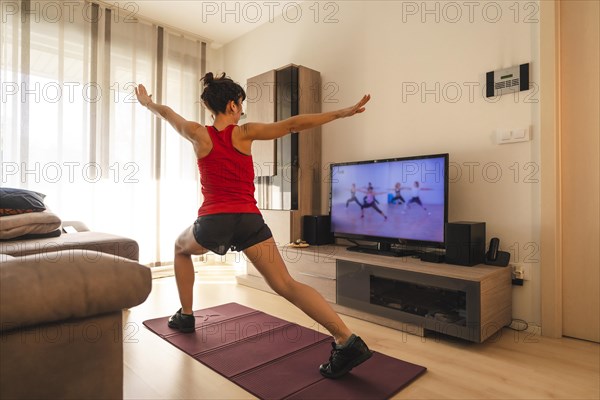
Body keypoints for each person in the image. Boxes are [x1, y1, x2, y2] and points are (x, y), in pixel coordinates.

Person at [135, 72, 373, 379]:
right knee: (286, 284)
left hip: (213, 222)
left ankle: (186, 316)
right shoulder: (245, 133)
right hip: (249, 221)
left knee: (180, 249)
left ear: (212, 107)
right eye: (241, 106)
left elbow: (168, 114)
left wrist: (148, 103)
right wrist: (342, 112)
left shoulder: (199, 133)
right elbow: (293, 124)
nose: (242, 111)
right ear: (233, 105)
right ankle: (346, 339)